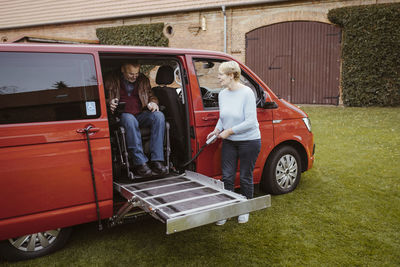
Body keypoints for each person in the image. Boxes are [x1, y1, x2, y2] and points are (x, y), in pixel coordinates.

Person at [207, 61, 261, 225]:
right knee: (227, 177)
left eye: (221, 74)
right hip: (230, 142)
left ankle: (244, 209)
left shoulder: (247, 93)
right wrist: (217, 130)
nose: (218, 77)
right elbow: (223, 118)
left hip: (249, 141)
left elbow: (251, 121)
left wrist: (229, 131)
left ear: (231, 75)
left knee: (245, 176)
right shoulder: (223, 94)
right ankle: (228, 209)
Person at [105, 62, 168, 177]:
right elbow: (101, 97)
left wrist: (153, 103)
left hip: (140, 114)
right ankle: (140, 162)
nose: (135, 76)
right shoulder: (110, 79)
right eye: (131, 74)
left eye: (137, 73)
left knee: (159, 116)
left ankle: (157, 160)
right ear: (122, 71)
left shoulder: (143, 79)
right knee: (129, 119)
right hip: (122, 116)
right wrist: (109, 103)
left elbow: (151, 95)